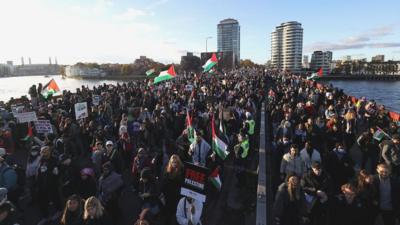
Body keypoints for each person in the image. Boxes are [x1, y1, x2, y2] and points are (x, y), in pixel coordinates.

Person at [162, 155, 184, 225]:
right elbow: (164, 182)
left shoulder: (182, 171)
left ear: (178, 162)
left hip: (177, 196)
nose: (174, 164)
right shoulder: (167, 170)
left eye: (176, 162)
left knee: (176, 213)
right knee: (167, 213)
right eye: (172, 162)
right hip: (168, 195)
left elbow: (182, 183)